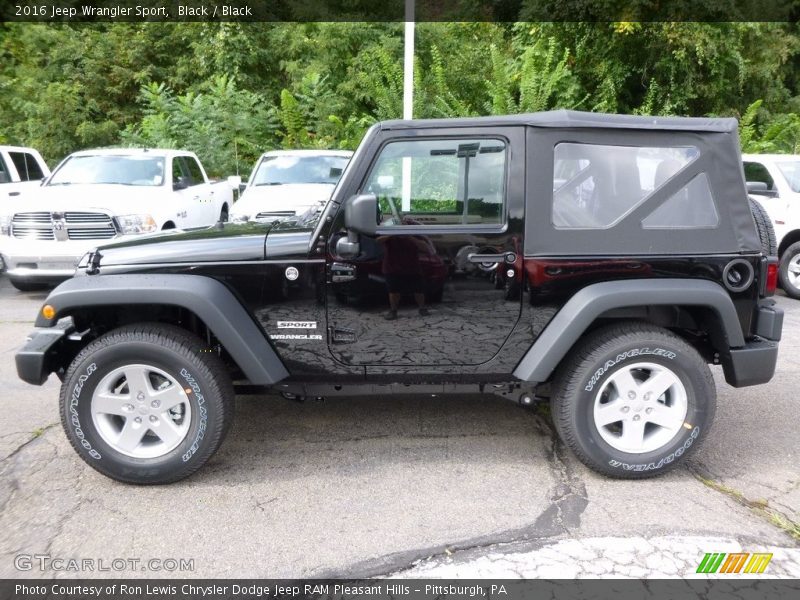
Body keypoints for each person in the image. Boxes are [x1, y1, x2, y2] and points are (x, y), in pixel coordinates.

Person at [377, 233, 430, 320]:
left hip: (412, 267)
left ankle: (422, 308)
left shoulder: (414, 233)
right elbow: (378, 240)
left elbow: (425, 247)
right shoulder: (390, 232)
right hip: (392, 267)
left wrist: (409, 237)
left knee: (419, 290)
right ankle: (393, 311)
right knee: (393, 291)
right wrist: (393, 235)